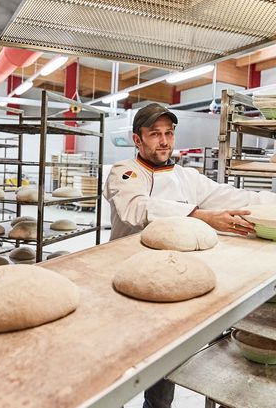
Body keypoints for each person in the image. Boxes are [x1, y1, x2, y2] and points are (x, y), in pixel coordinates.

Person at [103, 102, 276, 408]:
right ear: (137, 139)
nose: (164, 140)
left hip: (172, 282)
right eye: (154, 134)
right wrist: (201, 215)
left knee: (162, 366)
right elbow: (136, 209)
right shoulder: (125, 173)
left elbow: (236, 196)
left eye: (168, 133)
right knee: (115, 368)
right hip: (126, 283)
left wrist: (269, 202)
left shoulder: (187, 177)